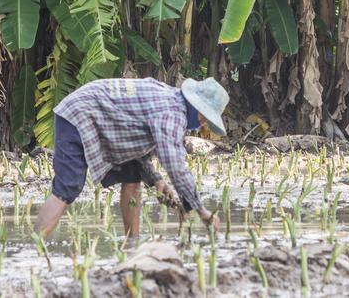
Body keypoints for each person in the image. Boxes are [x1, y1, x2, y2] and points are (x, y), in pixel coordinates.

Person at [35, 77, 228, 238]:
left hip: (108, 121)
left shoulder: (171, 100)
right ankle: (35, 248)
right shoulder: (172, 113)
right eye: (205, 119)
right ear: (198, 109)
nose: (202, 124)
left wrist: (157, 181)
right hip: (80, 114)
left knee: (132, 178)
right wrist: (200, 209)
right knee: (67, 187)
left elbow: (139, 149)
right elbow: (175, 165)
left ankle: (132, 242)